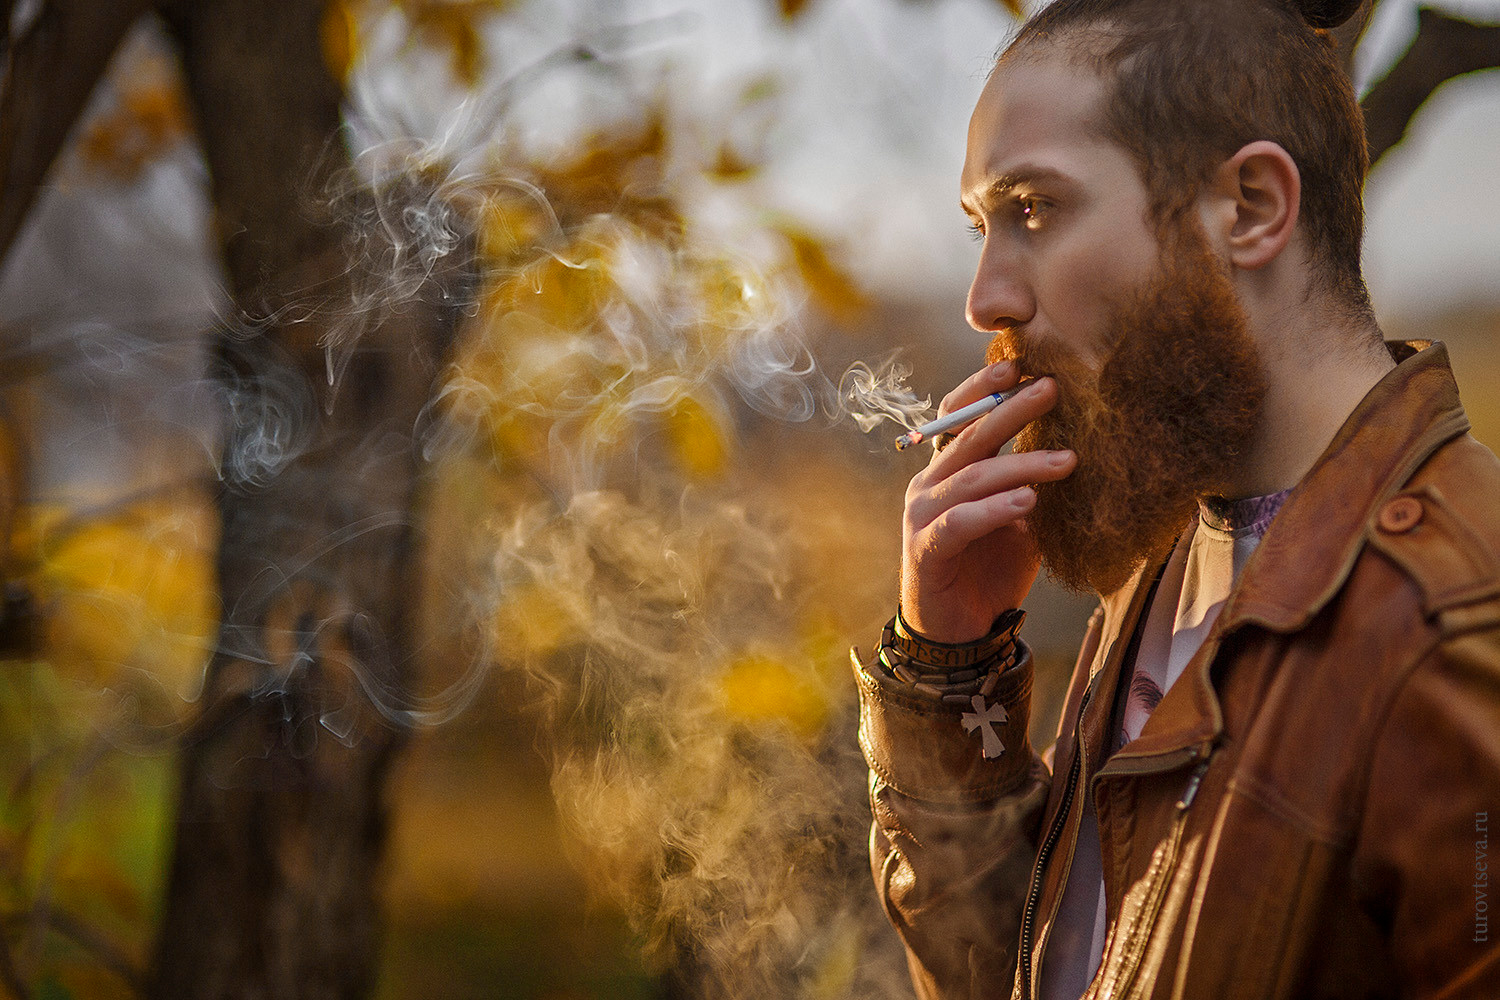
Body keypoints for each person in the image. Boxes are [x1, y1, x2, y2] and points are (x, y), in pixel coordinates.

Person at [853, 0, 1500, 997]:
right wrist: (951, 669)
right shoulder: (1166, 561)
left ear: (1249, 206)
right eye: (984, 226)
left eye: (1034, 209)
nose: (986, 298)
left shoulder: (1461, 625)